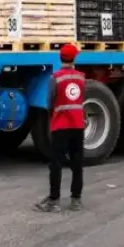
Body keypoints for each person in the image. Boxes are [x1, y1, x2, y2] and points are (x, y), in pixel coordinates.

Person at [35, 44, 85, 212]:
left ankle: (53, 201)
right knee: (77, 163)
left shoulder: (55, 78)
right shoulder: (81, 77)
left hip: (60, 126)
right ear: (74, 58)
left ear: (60, 58)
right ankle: (76, 200)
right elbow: (80, 99)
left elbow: (50, 102)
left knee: (56, 163)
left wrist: (53, 117)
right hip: (78, 125)